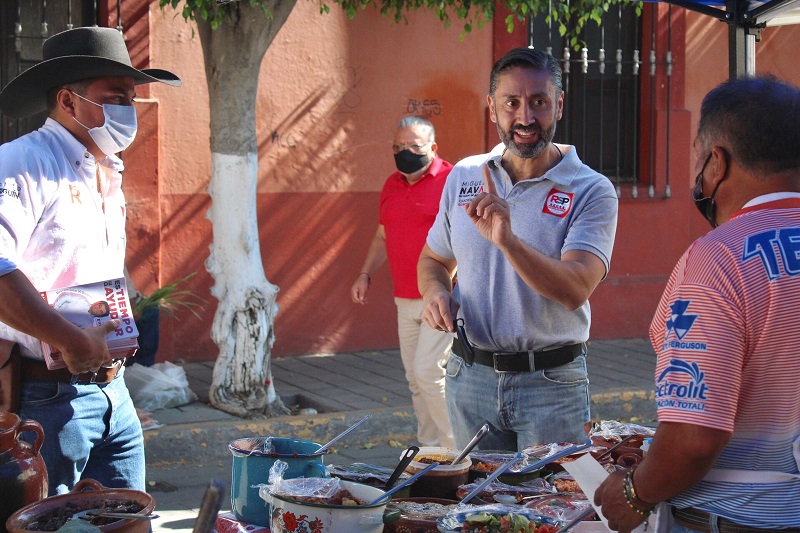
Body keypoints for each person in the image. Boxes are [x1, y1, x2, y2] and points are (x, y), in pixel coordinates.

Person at [594, 77, 800, 532]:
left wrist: (634, 491)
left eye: (698, 161)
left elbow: (694, 436)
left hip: (739, 515)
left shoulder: (719, 258)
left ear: (716, 162)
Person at [0, 26, 181, 495]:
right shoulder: (21, 164)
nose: (129, 108)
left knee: (125, 520)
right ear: (68, 101)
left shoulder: (107, 171)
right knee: (52, 523)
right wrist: (68, 339)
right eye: (116, 96)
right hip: (45, 397)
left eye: (132, 97)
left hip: (113, 394)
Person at [417, 48, 618, 451]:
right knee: (478, 510)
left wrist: (508, 240)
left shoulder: (591, 190)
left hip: (551, 385)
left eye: (539, 102)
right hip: (469, 378)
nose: (525, 117)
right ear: (492, 109)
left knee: (555, 509)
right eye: (512, 103)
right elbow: (434, 260)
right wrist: (436, 291)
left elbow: (575, 287)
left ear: (559, 105)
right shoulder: (465, 176)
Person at [351, 117, 455, 447]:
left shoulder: (453, 180)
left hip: (439, 296)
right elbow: (383, 235)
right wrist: (366, 274)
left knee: (429, 372)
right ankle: (429, 451)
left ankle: (456, 449)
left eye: (414, 146)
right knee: (415, 378)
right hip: (404, 297)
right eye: (399, 147)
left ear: (434, 148)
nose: (405, 152)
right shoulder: (391, 185)